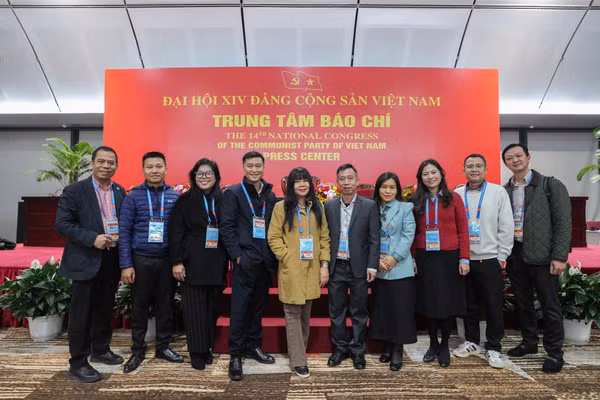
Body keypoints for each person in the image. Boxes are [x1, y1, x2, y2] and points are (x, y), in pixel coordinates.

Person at [55, 146, 126, 383]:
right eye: (101, 161)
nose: (106, 166)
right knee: (81, 313)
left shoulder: (119, 191)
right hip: (85, 259)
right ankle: (78, 362)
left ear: (116, 166)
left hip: (111, 259)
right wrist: (91, 238)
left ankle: (101, 350)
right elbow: (62, 224)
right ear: (92, 163)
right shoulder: (75, 190)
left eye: (111, 162)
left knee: (104, 308)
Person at [502, 143, 571, 374]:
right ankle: (529, 342)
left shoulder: (550, 185)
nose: (515, 160)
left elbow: (563, 223)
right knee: (523, 303)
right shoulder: (505, 190)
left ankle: (554, 353)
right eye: (509, 158)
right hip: (516, 254)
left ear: (528, 157)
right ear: (505, 163)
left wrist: (559, 256)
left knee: (550, 305)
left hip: (543, 256)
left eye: (518, 155)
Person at [118, 151, 183, 373]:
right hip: (141, 260)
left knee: (166, 305)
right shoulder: (132, 197)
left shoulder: (175, 196)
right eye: (150, 167)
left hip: (166, 260)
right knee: (140, 307)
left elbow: (179, 232)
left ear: (166, 169)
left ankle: (163, 347)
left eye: (158, 166)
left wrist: (178, 260)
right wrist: (126, 264)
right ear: (143, 170)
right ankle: (138, 349)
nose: (154, 170)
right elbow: (124, 232)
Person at [267, 167, 330, 378]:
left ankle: (299, 354)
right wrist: (285, 256)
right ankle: (299, 360)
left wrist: (324, 265)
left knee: (305, 315)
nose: (302, 184)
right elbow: (273, 237)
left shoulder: (318, 207)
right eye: (297, 181)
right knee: (292, 314)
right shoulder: (281, 208)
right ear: (290, 185)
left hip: (312, 270)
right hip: (291, 269)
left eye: (305, 180)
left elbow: (324, 238)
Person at [452, 154, 514, 369]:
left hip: (489, 258)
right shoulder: (457, 193)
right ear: (464, 170)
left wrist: (502, 255)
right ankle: (471, 341)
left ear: (486, 170)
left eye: (479, 166)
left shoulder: (498, 192)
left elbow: (506, 225)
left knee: (493, 304)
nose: (474, 169)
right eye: (470, 166)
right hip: (464, 259)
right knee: (469, 303)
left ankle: (494, 346)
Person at [221, 151, 278, 381]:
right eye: (250, 166)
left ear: (263, 167)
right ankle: (235, 355)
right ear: (243, 168)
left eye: (258, 166)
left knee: (257, 308)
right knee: (239, 309)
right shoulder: (234, 193)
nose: (254, 170)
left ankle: (252, 346)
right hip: (244, 260)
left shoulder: (270, 195)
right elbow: (227, 227)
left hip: (265, 261)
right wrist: (236, 255)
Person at [169, 159, 229, 371]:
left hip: (217, 261)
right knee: (195, 309)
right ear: (194, 177)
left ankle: (207, 348)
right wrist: (177, 262)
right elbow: (175, 233)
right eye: (200, 173)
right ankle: (196, 352)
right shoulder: (184, 201)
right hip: (192, 261)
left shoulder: (224, 199)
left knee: (212, 308)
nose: (204, 177)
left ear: (216, 177)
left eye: (208, 173)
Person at [411, 159, 470, 368]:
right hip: (424, 257)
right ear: (420, 178)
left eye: (433, 172)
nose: (430, 177)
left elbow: (463, 230)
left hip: (449, 257)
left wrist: (464, 258)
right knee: (429, 302)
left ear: (441, 174)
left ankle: (444, 344)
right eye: (425, 174)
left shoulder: (453, 198)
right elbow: (411, 232)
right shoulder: (416, 200)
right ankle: (433, 344)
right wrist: (412, 257)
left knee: (447, 303)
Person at [324, 164, 379, 370]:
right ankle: (340, 349)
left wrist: (372, 265)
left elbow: (374, 238)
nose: (346, 182)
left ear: (357, 181)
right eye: (342, 179)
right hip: (336, 266)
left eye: (350, 178)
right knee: (336, 311)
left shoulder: (369, 206)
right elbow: (325, 237)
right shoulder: (329, 206)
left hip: (359, 267)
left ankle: (357, 351)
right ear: (337, 182)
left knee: (359, 311)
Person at [369, 172, 417, 371]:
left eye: (392, 187)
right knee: (384, 310)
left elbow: (408, 235)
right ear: (378, 189)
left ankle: (398, 349)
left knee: (399, 311)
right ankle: (387, 346)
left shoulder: (405, 208)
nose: (387, 191)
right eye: (384, 187)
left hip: (399, 267)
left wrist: (393, 257)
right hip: (378, 267)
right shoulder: (372, 207)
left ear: (397, 190)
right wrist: (376, 260)